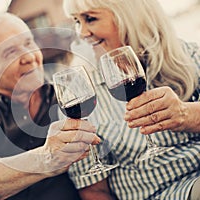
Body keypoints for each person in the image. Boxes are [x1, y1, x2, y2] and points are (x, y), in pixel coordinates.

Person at [58, 0, 200, 199]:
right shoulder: (81, 91)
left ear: (128, 15)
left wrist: (185, 114)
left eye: (90, 19)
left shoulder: (186, 56)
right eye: (77, 21)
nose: (81, 32)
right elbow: (94, 191)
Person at [0, 12, 101, 200]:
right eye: (10, 52)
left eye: (29, 42)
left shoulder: (71, 95)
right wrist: (46, 158)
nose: (29, 57)